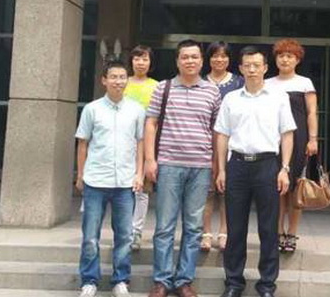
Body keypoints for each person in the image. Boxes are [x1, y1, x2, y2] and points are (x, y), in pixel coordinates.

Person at [215, 46, 296, 297]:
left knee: (268, 229)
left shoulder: (278, 97)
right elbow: (222, 135)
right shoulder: (231, 99)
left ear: (265, 68)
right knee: (235, 228)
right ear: (240, 69)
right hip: (237, 165)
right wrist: (221, 169)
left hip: (267, 166)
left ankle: (267, 285)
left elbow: (287, 134)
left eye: (256, 65)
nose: (252, 69)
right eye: (247, 65)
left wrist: (284, 168)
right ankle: (233, 283)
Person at [144, 39, 221, 297]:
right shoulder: (164, 88)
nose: (190, 61)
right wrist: (150, 160)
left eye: (194, 57)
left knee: (194, 227)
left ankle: (184, 281)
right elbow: (151, 124)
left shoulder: (212, 91)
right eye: (185, 57)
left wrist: (216, 165)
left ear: (202, 61)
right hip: (169, 164)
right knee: (164, 226)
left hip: (201, 167)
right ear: (177, 61)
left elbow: (217, 131)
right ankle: (162, 281)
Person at [75, 61, 146, 297]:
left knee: (124, 236)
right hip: (95, 181)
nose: (118, 81)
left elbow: (140, 144)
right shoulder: (92, 109)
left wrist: (139, 173)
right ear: (104, 80)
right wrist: (80, 175)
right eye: (113, 77)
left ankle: (121, 280)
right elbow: (83, 144)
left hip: (125, 183)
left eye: (122, 77)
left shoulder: (137, 110)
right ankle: (89, 280)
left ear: (127, 80)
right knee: (90, 236)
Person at [266, 39, 318, 254]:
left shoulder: (305, 82)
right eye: (281, 55)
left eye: (290, 56)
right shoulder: (267, 83)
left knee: (296, 189)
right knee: (276, 188)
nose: (285, 59)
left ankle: (292, 233)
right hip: (272, 138)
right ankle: (278, 232)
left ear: (297, 60)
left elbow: (311, 113)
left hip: (298, 138)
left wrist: (313, 139)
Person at [201, 41, 244, 252]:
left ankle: (224, 232)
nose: (219, 59)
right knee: (207, 190)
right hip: (203, 142)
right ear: (208, 59)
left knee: (228, 191)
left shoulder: (239, 82)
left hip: (232, 142)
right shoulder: (200, 82)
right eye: (215, 55)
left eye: (224, 56)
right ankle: (206, 233)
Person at [124, 45, 159, 251]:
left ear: (150, 62)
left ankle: (136, 231)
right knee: (122, 188)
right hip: (123, 142)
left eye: (145, 59)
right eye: (137, 59)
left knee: (142, 189)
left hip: (146, 143)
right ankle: (123, 230)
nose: (140, 63)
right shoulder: (123, 82)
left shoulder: (157, 86)